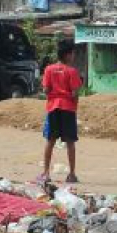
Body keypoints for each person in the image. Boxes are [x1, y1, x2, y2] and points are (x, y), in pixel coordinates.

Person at [39, 39, 83, 184]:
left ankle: (45, 173)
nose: (74, 56)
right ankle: (71, 174)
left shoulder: (49, 69)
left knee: (50, 140)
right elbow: (75, 92)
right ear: (68, 55)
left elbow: (45, 90)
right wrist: (73, 103)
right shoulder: (72, 71)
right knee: (70, 142)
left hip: (53, 107)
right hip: (68, 108)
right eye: (73, 53)